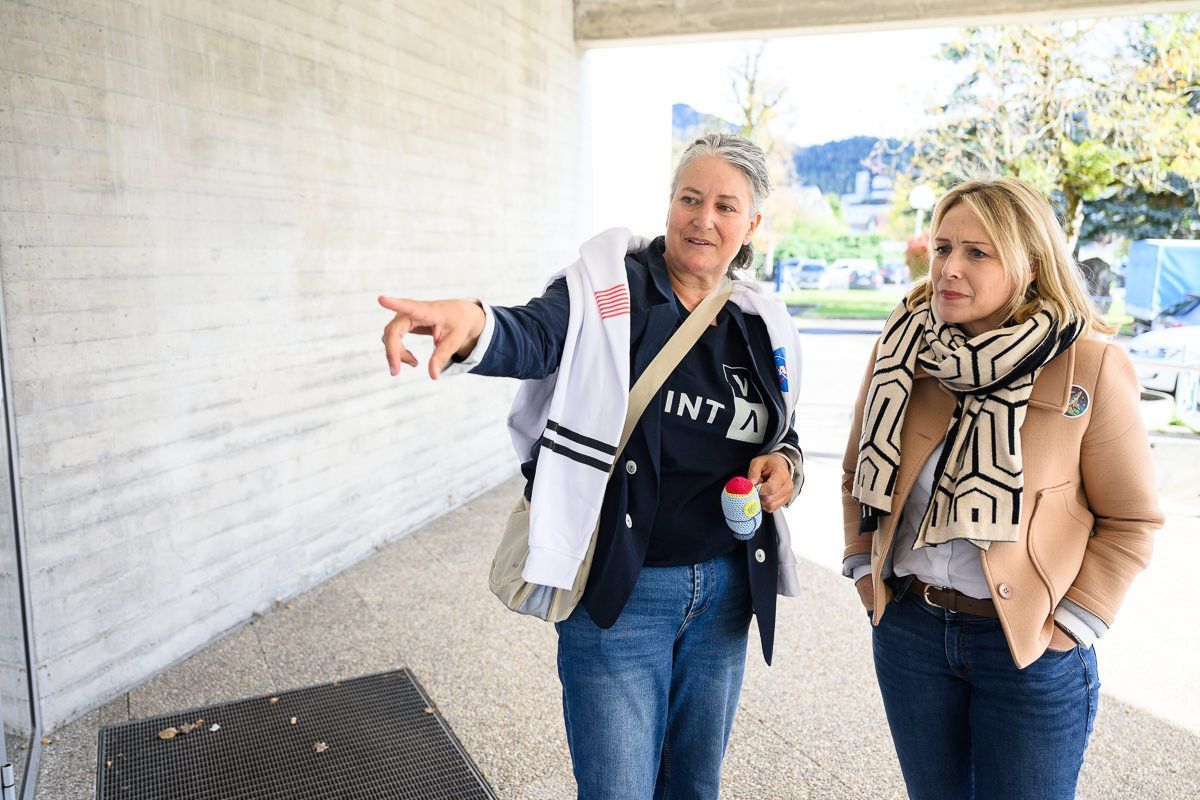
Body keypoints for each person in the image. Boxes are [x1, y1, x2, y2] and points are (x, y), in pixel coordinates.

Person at [379, 132, 805, 799]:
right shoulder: (610, 290)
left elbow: (782, 433)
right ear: (668, 206)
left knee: (695, 785)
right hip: (622, 591)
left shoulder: (761, 322)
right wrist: (473, 326)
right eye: (689, 199)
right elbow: (534, 334)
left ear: (750, 225)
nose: (703, 218)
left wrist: (785, 464)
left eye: (725, 206)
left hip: (725, 591)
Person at [841, 176, 1164, 800]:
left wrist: (1072, 625)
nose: (948, 269)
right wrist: (862, 566)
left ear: (1031, 264)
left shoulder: (1089, 363)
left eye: (976, 253)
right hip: (912, 633)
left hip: (1027, 647)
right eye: (942, 248)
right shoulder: (904, 347)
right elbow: (859, 467)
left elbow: (1131, 521)